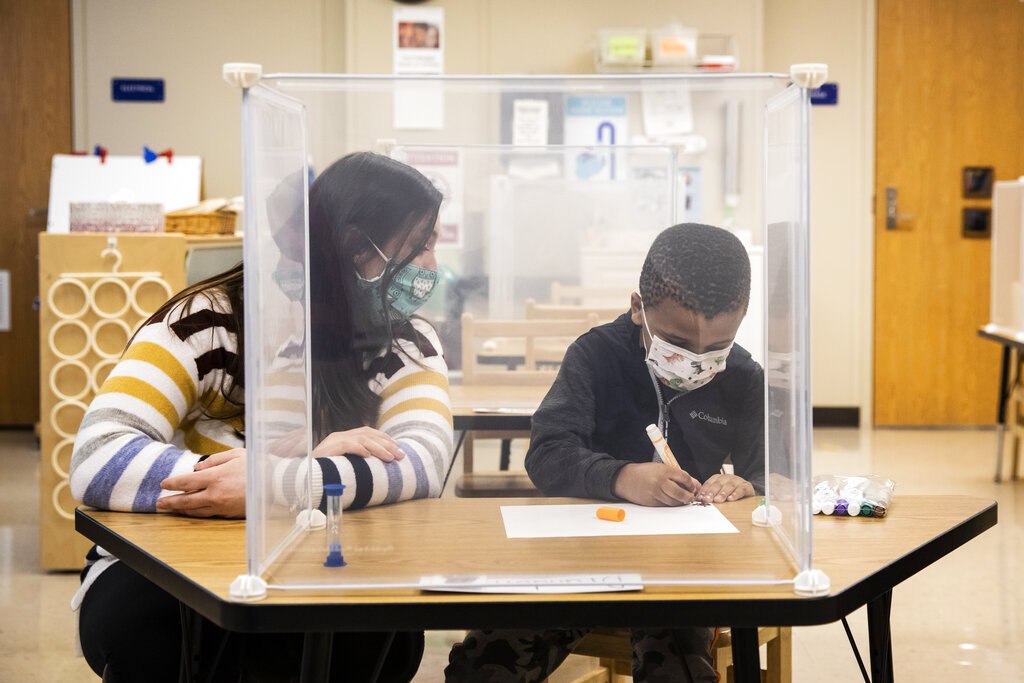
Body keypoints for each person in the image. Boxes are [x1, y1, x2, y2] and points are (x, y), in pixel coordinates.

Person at [70, 151, 454, 682]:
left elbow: (420, 462)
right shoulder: (204, 322)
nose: (432, 265)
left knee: (378, 637)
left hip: (327, 569)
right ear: (355, 249)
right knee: (171, 638)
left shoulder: (405, 342)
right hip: (171, 578)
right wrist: (277, 472)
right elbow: (97, 458)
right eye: (421, 245)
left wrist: (271, 481)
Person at [446, 222, 764, 683]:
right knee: (485, 666)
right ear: (638, 308)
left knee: (677, 669)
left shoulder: (741, 376)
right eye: (677, 344)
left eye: (715, 347)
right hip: (578, 552)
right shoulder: (596, 355)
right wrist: (623, 477)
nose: (697, 362)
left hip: (683, 566)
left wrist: (746, 485)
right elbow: (547, 454)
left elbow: (774, 475)